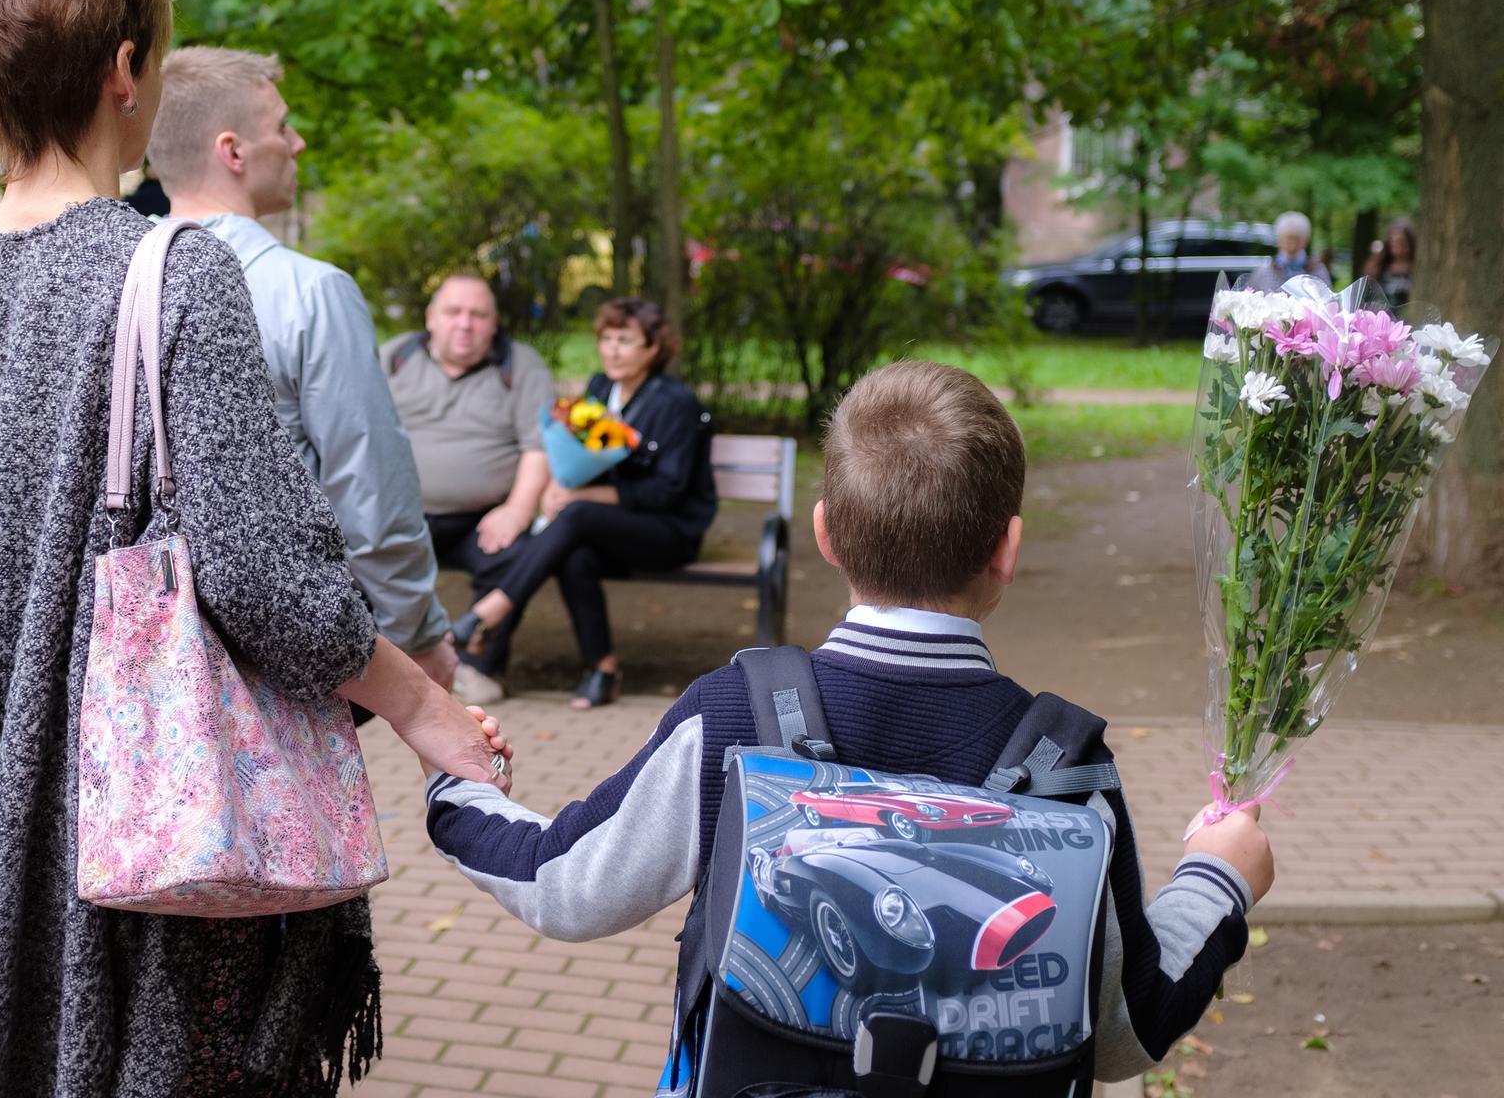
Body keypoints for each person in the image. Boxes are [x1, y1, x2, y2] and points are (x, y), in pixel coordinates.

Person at [0, 0, 511, 1098]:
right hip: (113, 875)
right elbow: (269, 577)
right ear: (128, 72)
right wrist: (428, 710)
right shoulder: (176, 273)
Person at [423, 360, 1274, 1092]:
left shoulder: (732, 717)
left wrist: (451, 779)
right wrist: (1217, 876)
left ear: (824, 533)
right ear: (1008, 551)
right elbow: (1123, 1032)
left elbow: (565, 886)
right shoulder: (1069, 767)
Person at [146, 46, 458, 699]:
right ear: (233, 152)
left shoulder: (120, 283)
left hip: (146, 644)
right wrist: (417, 635)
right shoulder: (310, 292)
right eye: (282, 126)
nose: (298, 142)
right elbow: (368, 482)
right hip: (284, 649)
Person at [449, 297, 716, 709]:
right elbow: (579, 452)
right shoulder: (600, 388)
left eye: (625, 340)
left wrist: (580, 496)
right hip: (606, 525)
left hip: (669, 531)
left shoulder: (674, 403)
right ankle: (603, 668)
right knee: (575, 555)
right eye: (606, 338)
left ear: (652, 348)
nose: (611, 349)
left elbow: (668, 492)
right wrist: (559, 483)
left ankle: (493, 608)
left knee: (577, 516)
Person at [382, 274, 556, 703]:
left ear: (493, 323)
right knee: (353, 557)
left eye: (478, 315)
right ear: (432, 318)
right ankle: (380, 666)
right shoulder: (395, 357)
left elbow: (539, 446)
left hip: (479, 519)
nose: (465, 324)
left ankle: (478, 667)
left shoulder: (520, 365)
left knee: (512, 555)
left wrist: (518, 509)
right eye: (454, 312)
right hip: (399, 513)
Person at [1244, 210, 1331, 291]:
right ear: (1278, 240)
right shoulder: (1265, 270)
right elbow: (1251, 298)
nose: (1292, 245)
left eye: (1296, 239)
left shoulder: (1317, 270)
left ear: (1305, 241)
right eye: (1287, 239)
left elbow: (1328, 303)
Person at [1365, 218, 1417, 306]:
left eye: (1402, 243)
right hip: (1384, 314)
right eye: (1394, 243)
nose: (1398, 247)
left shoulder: (1417, 268)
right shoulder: (1380, 266)